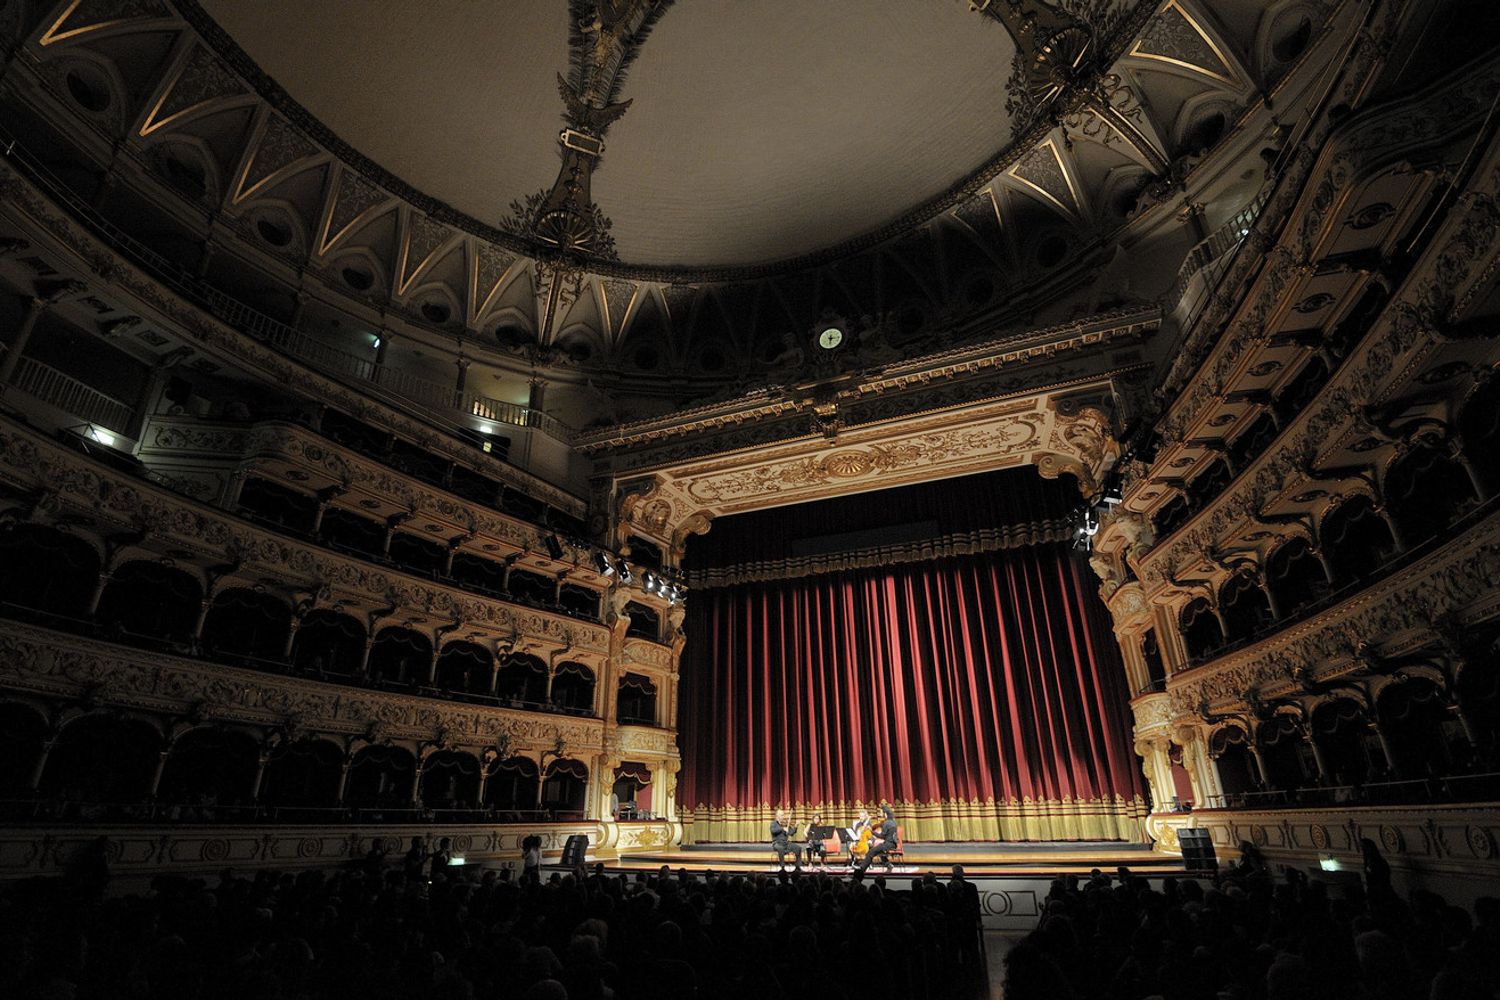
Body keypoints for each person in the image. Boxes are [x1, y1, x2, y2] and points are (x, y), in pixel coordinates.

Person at [854, 805, 897, 873]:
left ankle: (862, 869)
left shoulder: (887, 823)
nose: (881, 814)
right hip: (893, 844)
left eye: (882, 813)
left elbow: (881, 836)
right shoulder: (893, 822)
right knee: (878, 850)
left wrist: (872, 832)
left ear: (885, 814)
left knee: (871, 852)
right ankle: (888, 865)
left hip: (888, 844)